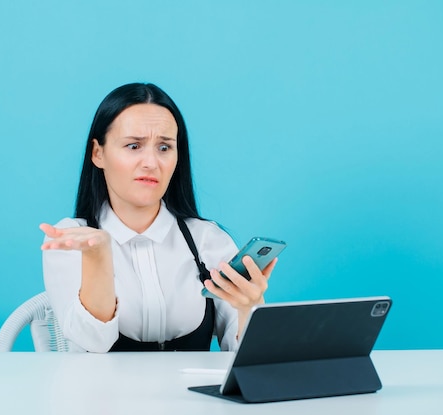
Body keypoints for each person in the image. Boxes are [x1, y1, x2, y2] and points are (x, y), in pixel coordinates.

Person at [40, 82, 278, 353]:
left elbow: (253, 360)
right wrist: (99, 255)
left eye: (164, 148)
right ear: (98, 153)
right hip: (101, 396)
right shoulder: (72, 240)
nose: (151, 162)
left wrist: (250, 307)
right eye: (133, 146)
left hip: (191, 396)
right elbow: (93, 342)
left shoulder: (208, 240)